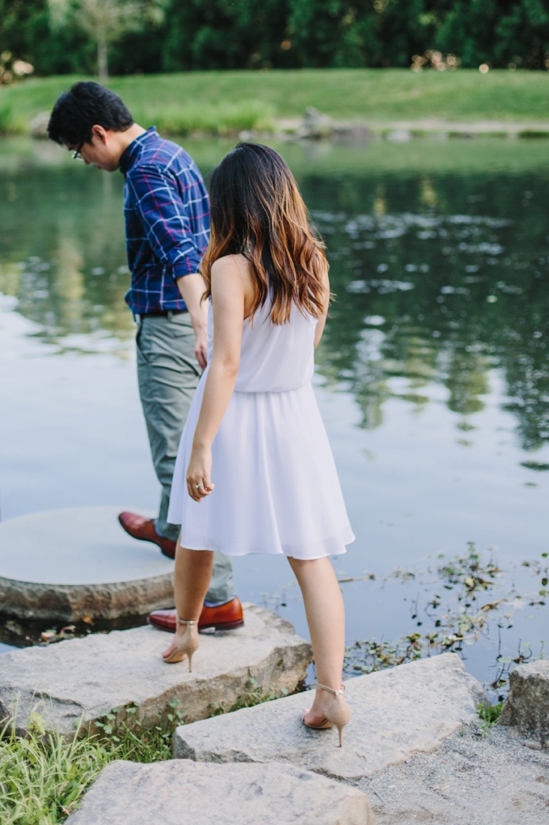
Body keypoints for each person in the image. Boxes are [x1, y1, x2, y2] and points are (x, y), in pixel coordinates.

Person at [162, 142, 353, 745]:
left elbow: (224, 364)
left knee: (198, 528)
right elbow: (308, 345)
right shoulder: (314, 261)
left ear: (228, 204)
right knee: (311, 556)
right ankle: (332, 692)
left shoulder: (229, 268)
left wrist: (201, 444)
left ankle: (188, 630)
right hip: (296, 417)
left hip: (237, 416)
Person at [46, 82, 240, 630]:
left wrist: (203, 324)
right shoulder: (169, 151)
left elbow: (180, 250)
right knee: (181, 451)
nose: (83, 160)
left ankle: (219, 599)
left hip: (173, 328)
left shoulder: (145, 170)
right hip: (187, 319)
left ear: (98, 134)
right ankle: (168, 526)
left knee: (179, 463)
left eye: (78, 149)